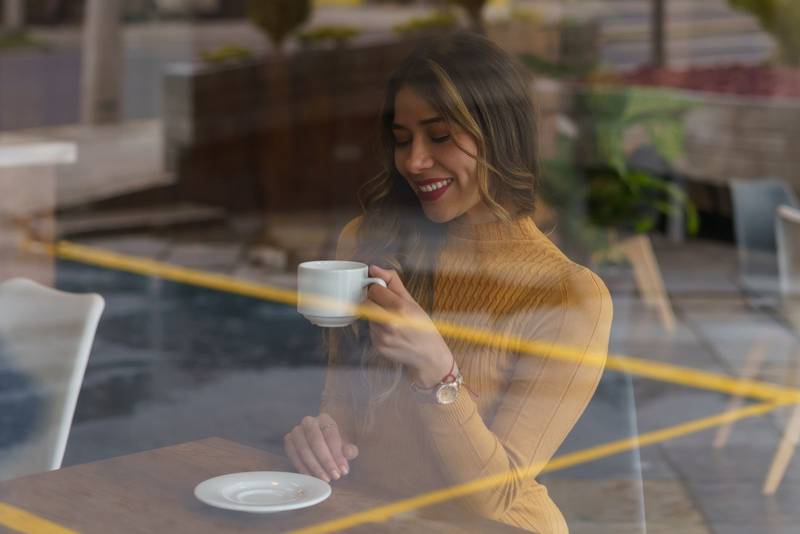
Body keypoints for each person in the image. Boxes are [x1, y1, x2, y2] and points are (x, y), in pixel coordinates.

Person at [284, 32, 613, 533]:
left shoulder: (570, 295)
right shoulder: (366, 244)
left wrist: (438, 374)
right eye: (402, 139)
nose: (414, 161)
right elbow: (343, 415)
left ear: (500, 136)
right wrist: (320, 442)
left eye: (440, 137)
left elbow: (496, 496)